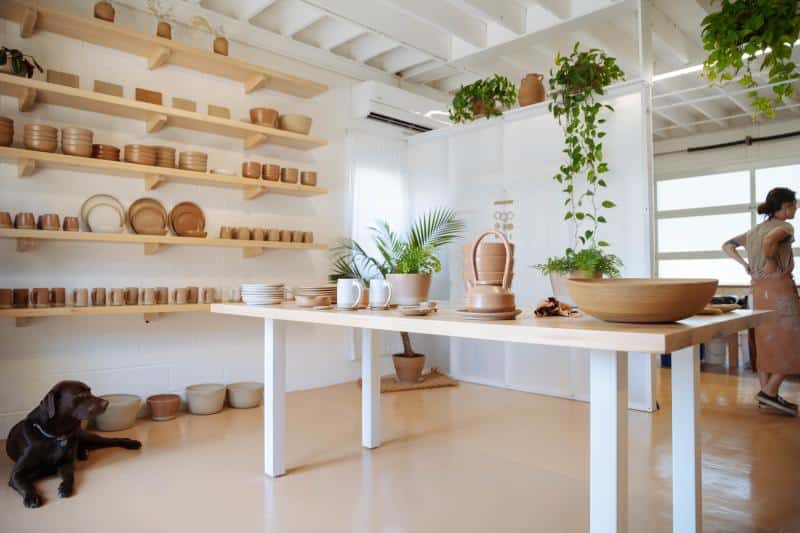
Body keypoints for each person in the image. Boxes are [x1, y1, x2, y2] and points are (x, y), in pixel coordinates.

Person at [723, 187, 799, 416]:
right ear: (785, 206)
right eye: (794, 204)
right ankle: (769, 392)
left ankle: (767, 396)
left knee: (764, 343)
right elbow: (770, 241)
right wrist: (770, 260)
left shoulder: (753, 231)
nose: (796, 208)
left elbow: (727, 245)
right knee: (793, 341)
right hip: (778, 289)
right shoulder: (785, 227)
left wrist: (745, 265)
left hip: (758, 290)